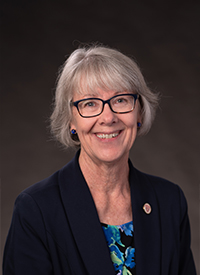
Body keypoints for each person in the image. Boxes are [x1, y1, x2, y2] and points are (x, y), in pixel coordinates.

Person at [3, 45, 196, 275]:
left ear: (139, 113)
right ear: (71, 121)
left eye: (121, 100)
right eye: (90, 104)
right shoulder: (36, 211)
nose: (108, 117)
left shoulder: (169, 202)